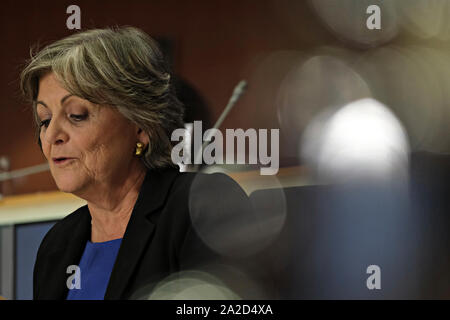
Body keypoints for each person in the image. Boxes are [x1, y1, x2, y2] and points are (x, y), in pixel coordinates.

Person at [20, 26, 256, 300]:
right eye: (45, 120)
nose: (52, 136)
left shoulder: (203, 204)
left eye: (76, 115)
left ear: (141, 125)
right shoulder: (57, 245)